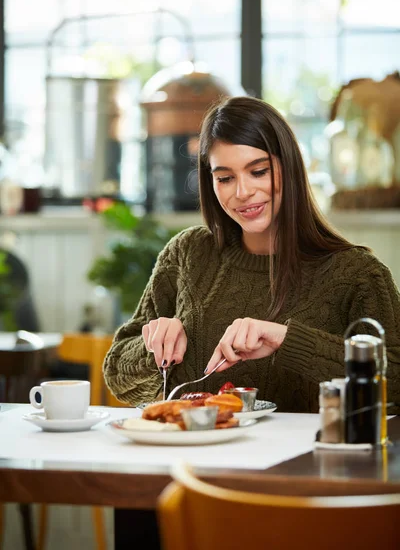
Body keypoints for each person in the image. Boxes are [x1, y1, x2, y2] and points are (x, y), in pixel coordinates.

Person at [103, 96, 400, 413]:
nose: (242, 192)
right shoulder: (187, 254)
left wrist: (287, 341)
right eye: (225, 178)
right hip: (193, 460)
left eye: (258, 171)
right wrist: (154, 349)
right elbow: (118, 376)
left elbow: (394, 378)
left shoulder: (356, 274)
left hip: (303, 461)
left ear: (290, 168)